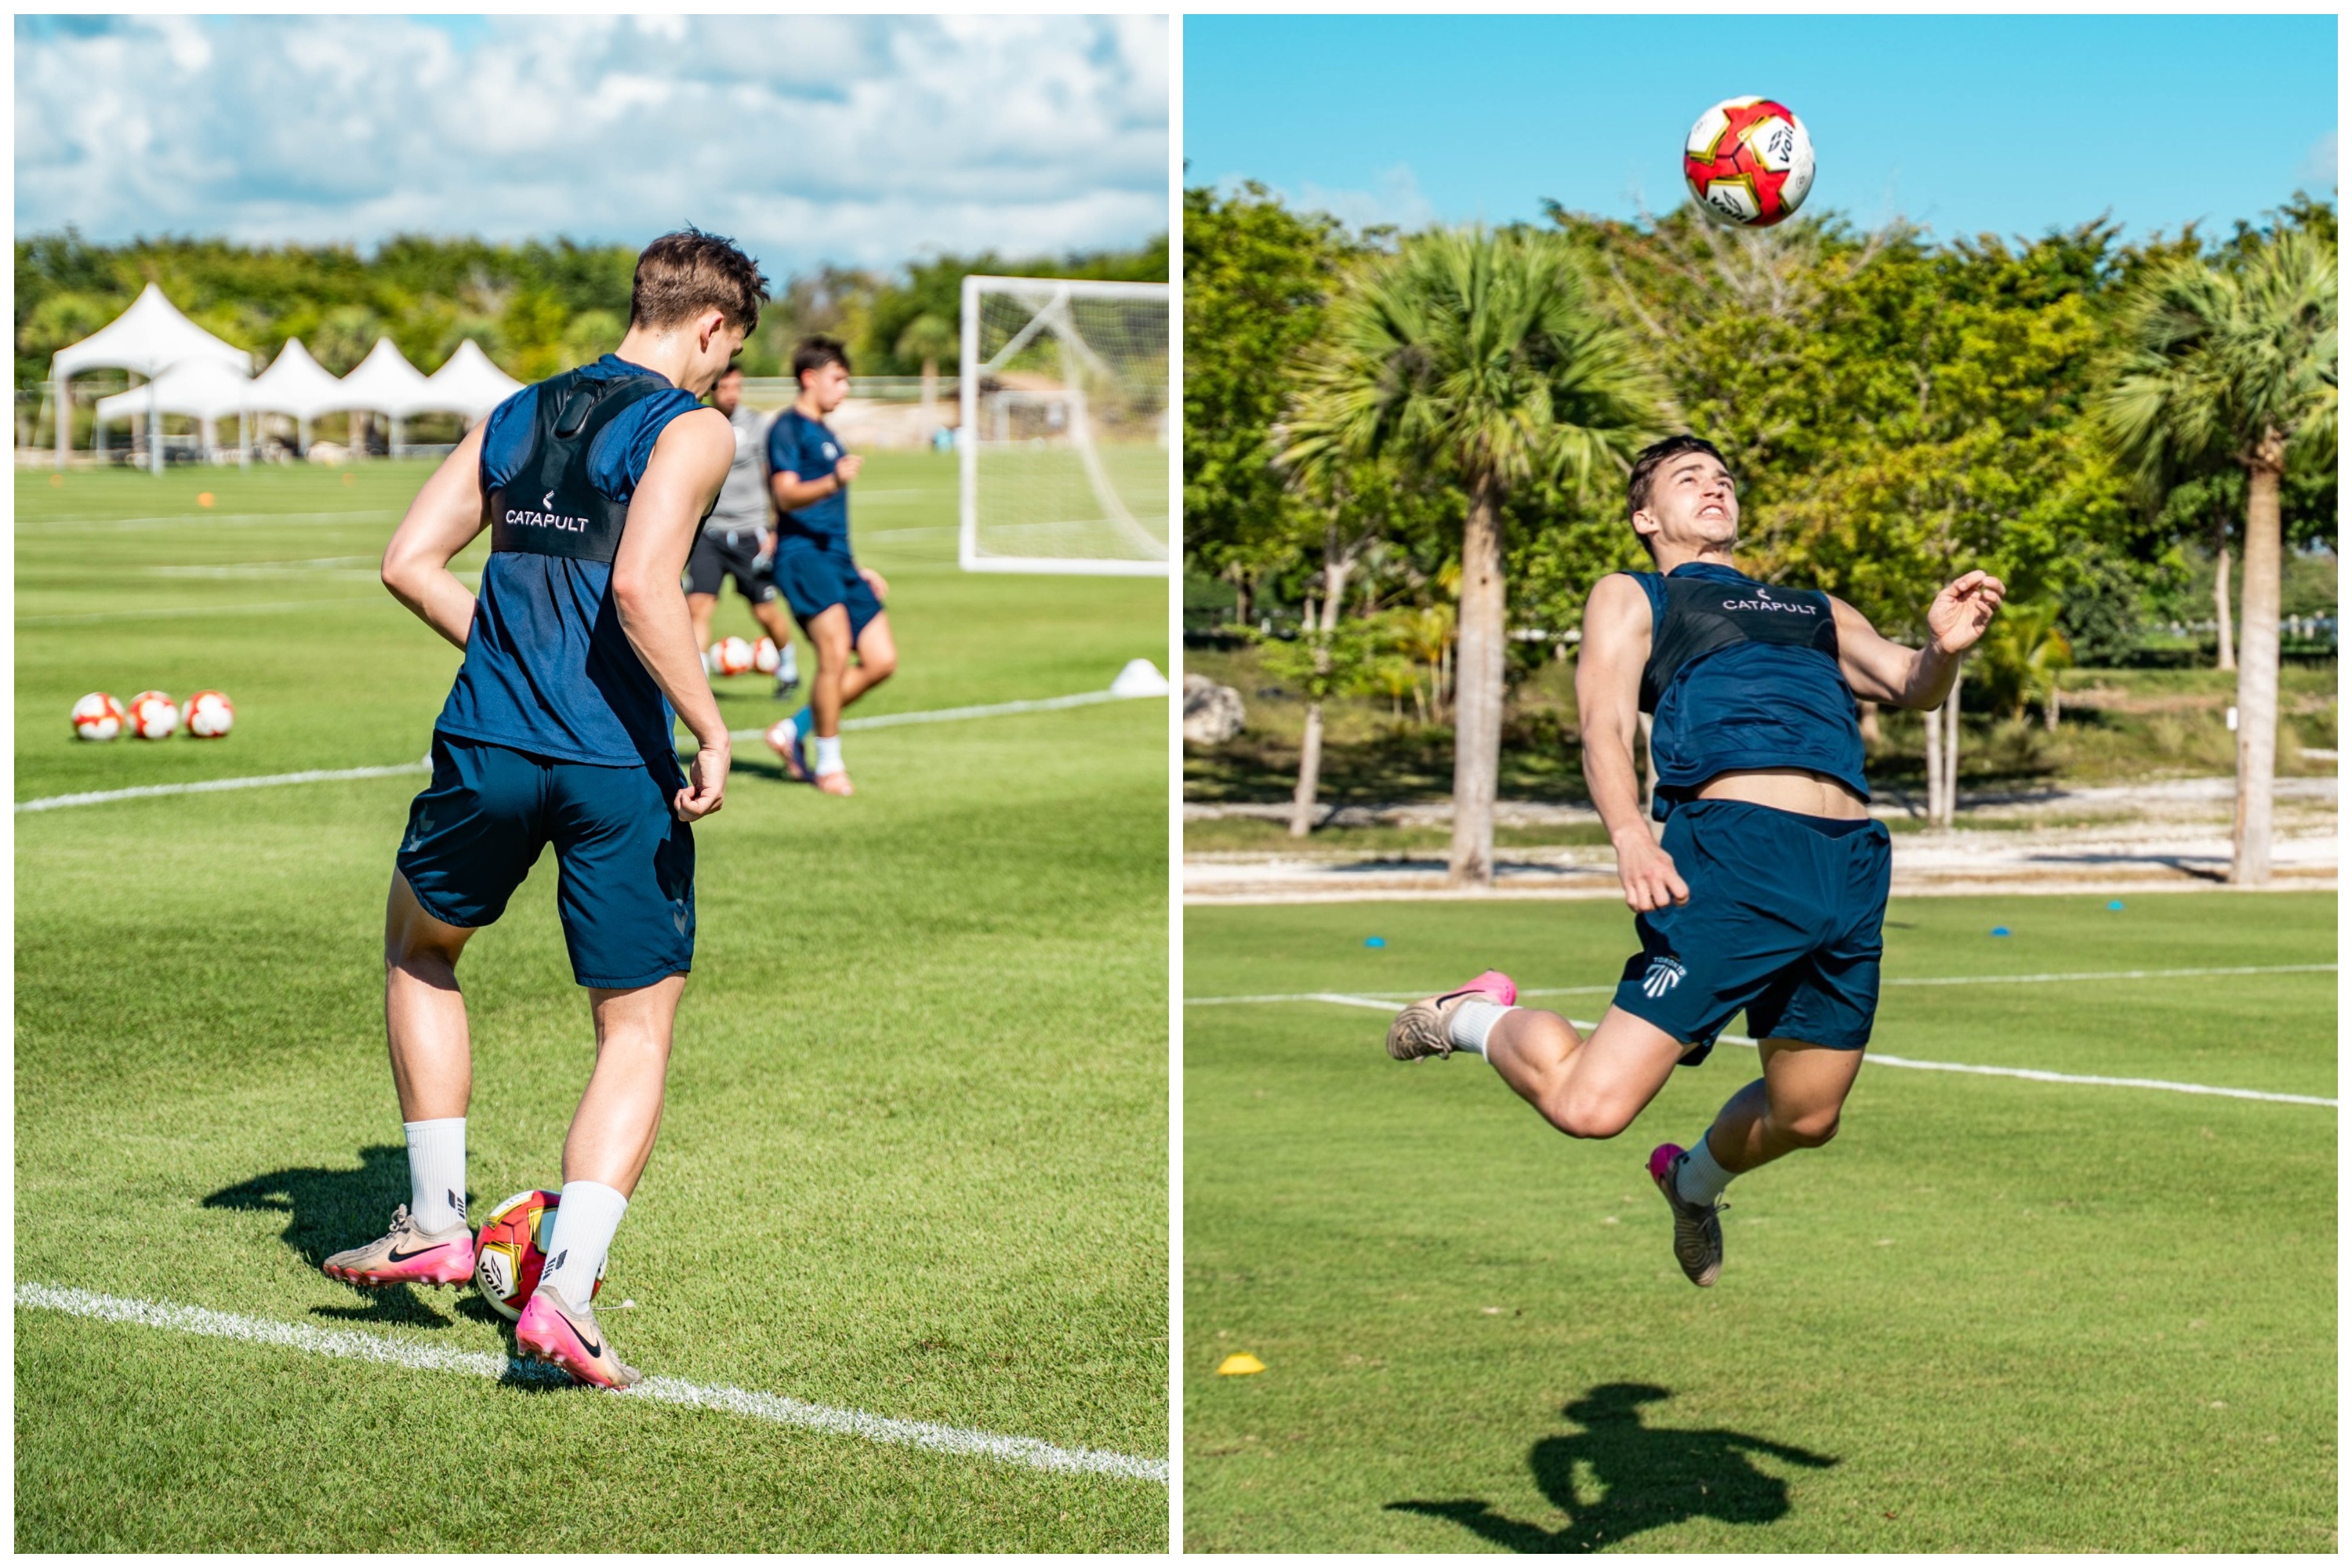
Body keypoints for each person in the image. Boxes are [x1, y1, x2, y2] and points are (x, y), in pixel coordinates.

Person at [1385, 434, 2005, 1288]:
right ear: (1646, 516)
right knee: (1589, 1107)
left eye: (1724, 478)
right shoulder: (1636, 593)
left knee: (1809, 1114)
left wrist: (1944, 647)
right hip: (1732, 855)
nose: (1715, 487)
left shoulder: (1815, 607)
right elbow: (1603, 723)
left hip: (1851, 865)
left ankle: (1691, 1183)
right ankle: (1470, 1015)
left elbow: (1909, 683)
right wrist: (1630, 834)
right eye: (1689, 479)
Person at [321, 229, 767, 1388]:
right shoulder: (693, 427)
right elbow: (643, 585)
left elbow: (409, 561)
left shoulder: (515, 413)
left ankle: (435, 1222)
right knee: (635, 1027)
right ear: (711, 326)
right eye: (729, 356)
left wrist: (512, 655)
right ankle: (565, 1293)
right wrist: (714, 728)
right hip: (615, 762)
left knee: (420, 950)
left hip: (488, 741)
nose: (724, 375)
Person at [761, 336, 898, 796]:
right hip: (802, 557)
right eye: (838, 379)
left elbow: (832, 517)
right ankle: (829, 764)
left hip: (838, 561)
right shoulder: (787, 428)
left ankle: (792, 730)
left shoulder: (828, 434)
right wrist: (832, 480)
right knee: (835, 654)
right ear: (810, 378)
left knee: (881, 660)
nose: (845, 388)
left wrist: (856, 568)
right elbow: (785, 495)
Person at [685, 364, 800, 699]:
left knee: (764, 610)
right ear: (713, 387)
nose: (732, 394)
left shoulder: (757, 426)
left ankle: (788, 668)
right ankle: (699, 686)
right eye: (725, 387)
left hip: (751, 534)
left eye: (738, 387)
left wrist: (776, 528)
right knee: (697, 606)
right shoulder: (699, 422)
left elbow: (772, 479)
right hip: (709, 534)